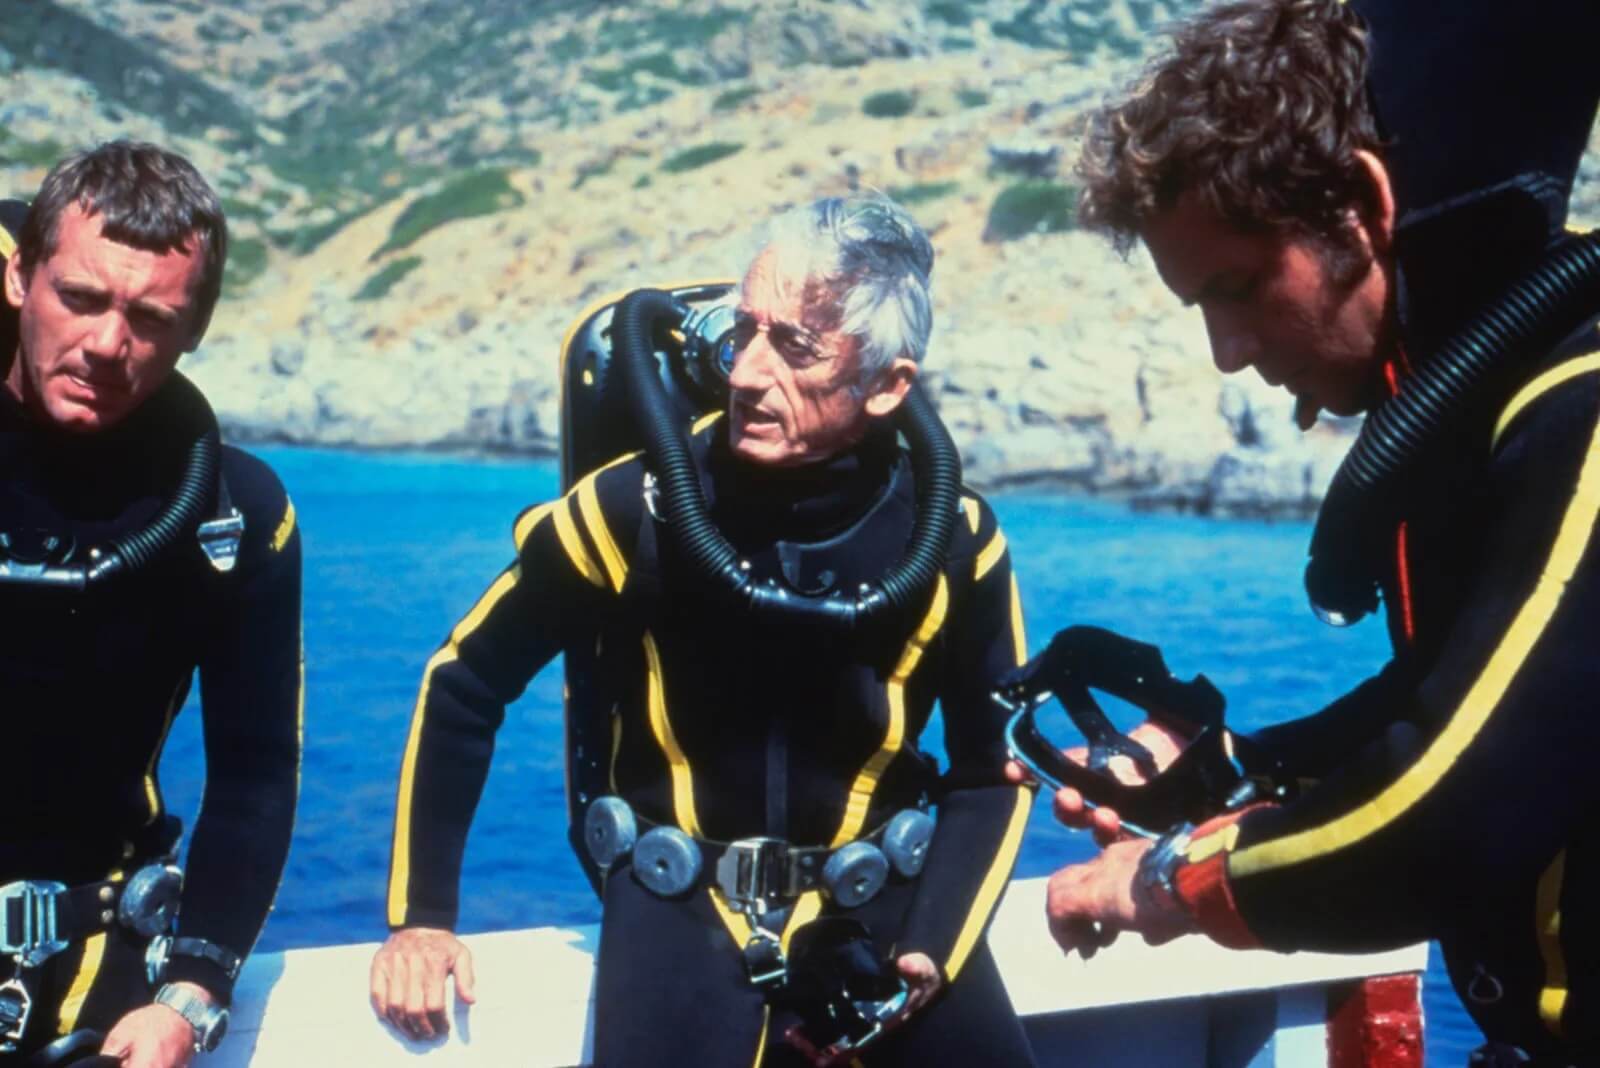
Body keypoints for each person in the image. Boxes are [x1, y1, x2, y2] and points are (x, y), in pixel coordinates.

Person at [1018, 0, 1600, 1063]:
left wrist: (1170, 881)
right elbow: (1464, 701)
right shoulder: (1477, 416)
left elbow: (1446, 812)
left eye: (1237, 288)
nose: (1227, 353)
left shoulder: (1581, 414)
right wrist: (1228, 769)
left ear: (1360, 209)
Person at [371, 195, 1037, 1066]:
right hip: (678, 919)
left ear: (886, 384)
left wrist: (928, 952)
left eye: (795, 346)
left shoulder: (952, 538)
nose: (748, 373)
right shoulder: (636, 509)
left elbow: (996, 768)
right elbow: (465, 680)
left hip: (884, 918)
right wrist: (422, 919)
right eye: (744, 330)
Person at [0, 142, 302, 1065]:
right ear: (19, 276)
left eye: (150, 317)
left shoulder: (232, 513)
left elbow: (253, 775)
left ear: (194, 330)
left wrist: (194, 990)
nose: (105, 345)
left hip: (102, 978)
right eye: (80, 298)